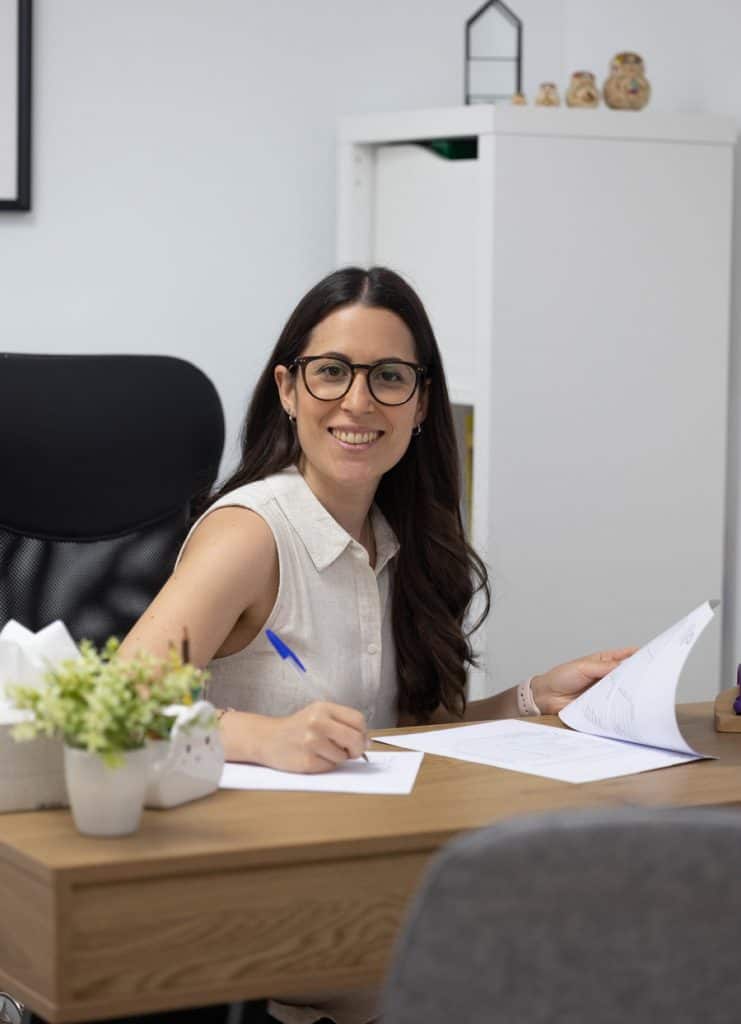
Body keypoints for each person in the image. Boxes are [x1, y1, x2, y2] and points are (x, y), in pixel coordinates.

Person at [120, 265, 633, 1023]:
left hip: (368, 872)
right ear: (289, 390)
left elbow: (400, 740)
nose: (358, 401)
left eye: (388, 376)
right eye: (331, 373)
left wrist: (529, 701)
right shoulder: (252, 532)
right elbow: (117, 702)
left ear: (420, 403)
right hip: (255, 890)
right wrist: (267, 737)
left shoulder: (403, 540)